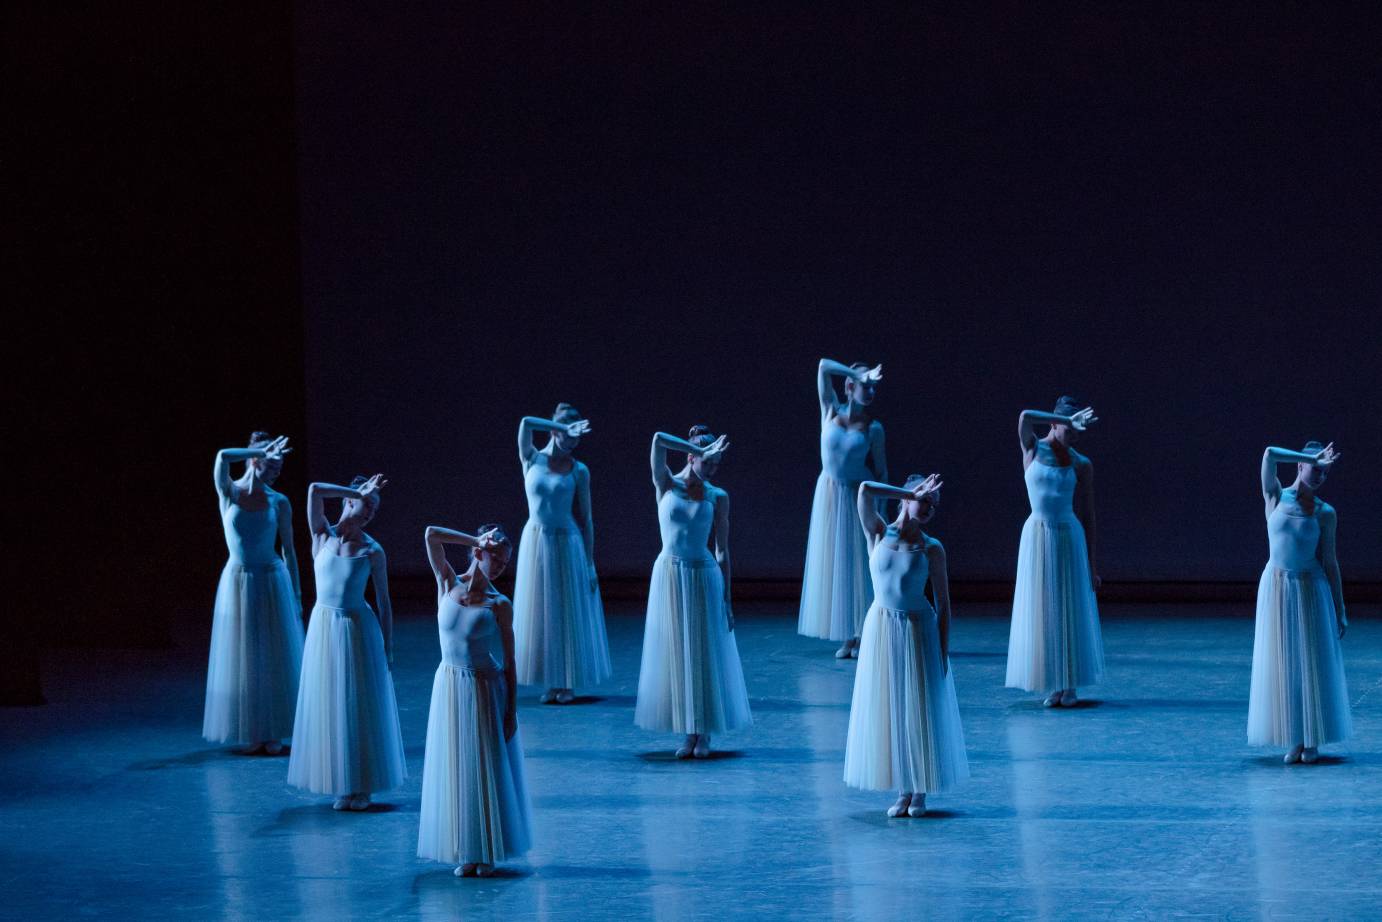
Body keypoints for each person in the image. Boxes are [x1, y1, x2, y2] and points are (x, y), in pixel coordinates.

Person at [844, 474, 968, 817]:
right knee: (892, 708)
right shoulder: (879, 532)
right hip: (882, 628)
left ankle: (920, 789)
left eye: (934, 504)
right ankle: (902, 789)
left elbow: (943, 605)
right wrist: (908, 491)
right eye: (925, 500)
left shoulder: (932, 548)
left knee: (918, 707)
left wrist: (942, 652)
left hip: (918, 629)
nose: (929, 508)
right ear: (907, 497)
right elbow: (864, 489)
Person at [418, 523, 532, 877]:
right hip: (450, 685)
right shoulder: (447, 582)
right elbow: (431, 535)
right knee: (458, 767)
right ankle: (467, 849)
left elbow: (511, 662)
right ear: (479, 551)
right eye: (495, 555)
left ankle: (488, 850)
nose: (499, 564)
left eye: (504, 561)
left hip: (484, 686)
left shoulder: (500, 604)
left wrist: (511, 710)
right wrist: (474, 539)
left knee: (484, 767)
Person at [288, 474, 405, 810]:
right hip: (325, 629)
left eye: (373, 508)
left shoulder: (372, 549)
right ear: (347, 500)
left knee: (357, 706)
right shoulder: (321, 534)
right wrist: (357, 491)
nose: (368, 511)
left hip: (357, 630)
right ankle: (343, 782)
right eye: (364, 504)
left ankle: (362, 785)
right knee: (332, 706)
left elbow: (384, 601)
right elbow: (313, 490)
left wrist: (388, 646)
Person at [635, 426, 751, 758]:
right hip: (670, 574)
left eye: (717, 464)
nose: (713, 469)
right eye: (708, 462)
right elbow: (657, 438)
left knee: (702, 651)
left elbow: (723, 551)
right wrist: (700, 447)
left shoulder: (718, 496)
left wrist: (728, 599)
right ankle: (689, 732)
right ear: (691, 456)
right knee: (677, 652)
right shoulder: (666, 483)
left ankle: (705, 732)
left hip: (703, 575)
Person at [1249, 441, 1351, 763]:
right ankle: (1293, 737)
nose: (1320, 476)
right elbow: (1267, 453)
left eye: (1324, 472)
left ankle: (1312, 739)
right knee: (1285, 664)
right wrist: (1310, 454)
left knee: (1310, 663)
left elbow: (1331, 562)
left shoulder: (1325, 512)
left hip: (1310, 588)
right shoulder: (1275, 496)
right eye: (1314, 469)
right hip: (1277, 587)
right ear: (1300, 466)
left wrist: (1341, 608)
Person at [204, 433, 303, 754]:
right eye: (271, 464)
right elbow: (221, 456)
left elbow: (289, 549)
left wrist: (297, 595)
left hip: (272, 579)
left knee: (271, 654)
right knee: (244, 655)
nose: (276, 472)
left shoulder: (279, 501)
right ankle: (252, 729)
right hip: (239, 579)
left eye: (279, 467)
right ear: (254, 459)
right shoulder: (229, 491)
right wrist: (259, 449)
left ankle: (273, 730)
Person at [1005, 398, 1105, 707]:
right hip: (1037, 536)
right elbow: (1023, 415)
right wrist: (1063, 417)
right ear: (1054, 423)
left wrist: (1091, 564)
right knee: (1044, 609)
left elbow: (1088, 516)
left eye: (1079, 428)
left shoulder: (1080, 463)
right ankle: (1053, 682)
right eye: (1070, 427)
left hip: (1067, 536)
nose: (1075, 433)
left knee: (1068, 608)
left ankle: (1070, 683)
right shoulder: (1033, 448)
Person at [513, 405, 611, 704]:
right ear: (556, 431)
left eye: (577, 439)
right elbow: (526, 421)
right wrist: (560, 425)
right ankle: (551, 681)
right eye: (569, 436)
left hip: (567, 541)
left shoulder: (579, 470)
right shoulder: (531, 458)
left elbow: (588, 518)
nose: (573, 443)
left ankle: (566, 681)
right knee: (543, 611)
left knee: (566, 610)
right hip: (536, 540)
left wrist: (591, 562)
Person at [799, 359, 888, 658]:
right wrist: (855, 373)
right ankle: (848, 635)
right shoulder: (829, 410)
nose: (871, 391)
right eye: (866, 385)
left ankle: (864, 633)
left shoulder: (874, 428)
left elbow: (882, 472)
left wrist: (882, 509)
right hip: (829, 495)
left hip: (857, 496)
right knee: (838, 564)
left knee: (860, 564)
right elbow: (823, 366)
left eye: (874, 387)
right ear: (850, 386)